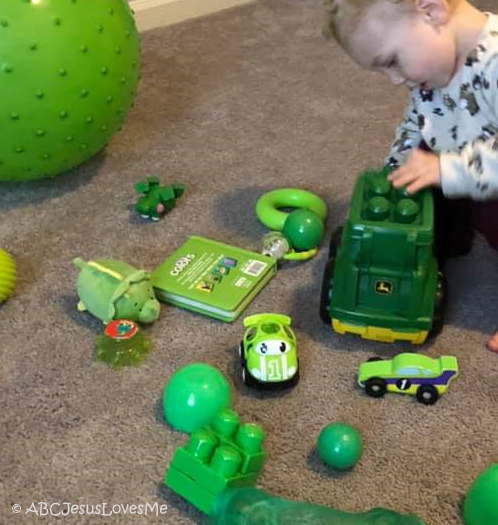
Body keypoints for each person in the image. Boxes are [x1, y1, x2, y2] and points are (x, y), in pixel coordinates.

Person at [323, 0, 498, 351]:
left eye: (391, 61)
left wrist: (445, 169)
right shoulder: (433, 69)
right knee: (423, 167)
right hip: (464, 156)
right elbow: (419, 122)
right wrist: (400, 164)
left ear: (431, 10)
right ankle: (445, 241)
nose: (395, 79)